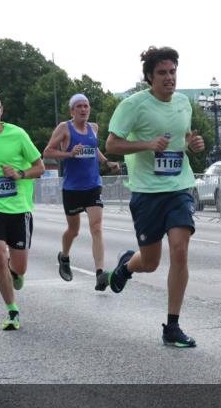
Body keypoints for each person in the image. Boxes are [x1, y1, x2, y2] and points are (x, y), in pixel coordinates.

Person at [104, 46, 205, 348]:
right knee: (150, 262)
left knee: (180, 249)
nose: (169, 78)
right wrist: (148, 144)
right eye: (162, 73)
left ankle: (172, 326)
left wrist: (194, 144)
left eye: (172, 72)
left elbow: (183, 140)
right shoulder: (134, 105)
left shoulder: (184, 103)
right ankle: (126, 266)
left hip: (178, 188)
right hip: (147, 192)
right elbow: (111, 144)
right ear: (149, 77)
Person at [0, 88, 45, 331]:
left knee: (19, 267)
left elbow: (40, 167)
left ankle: (16, 272)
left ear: (1, 109)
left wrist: (19, 174)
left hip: (19, 208)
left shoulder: (18, 134)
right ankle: (12, 310)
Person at [43, 93, 119, 290]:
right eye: (79, 106)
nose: (83, 109)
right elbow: (47, 152)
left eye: (86, 106)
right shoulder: (64, 128)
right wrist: (69, 153)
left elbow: (94, 149)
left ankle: (100, 273)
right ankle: (64, 257)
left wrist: (106, 162)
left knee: (96, 227)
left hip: (93, 185)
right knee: (74, 230)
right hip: (72, 188)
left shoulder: (93, 128)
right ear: (72, 110)